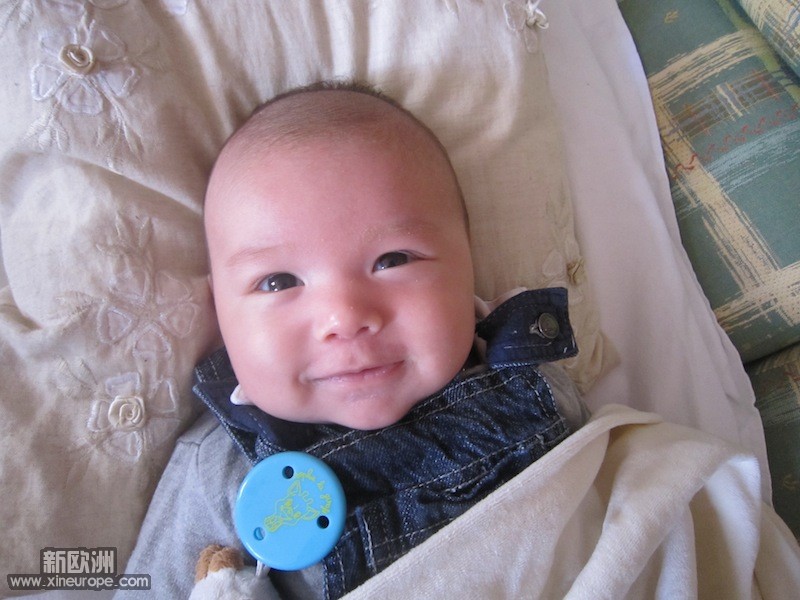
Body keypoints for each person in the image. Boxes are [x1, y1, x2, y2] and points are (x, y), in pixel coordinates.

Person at [118, 81, 589, 600]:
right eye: (278, 282)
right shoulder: (219, 468)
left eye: (393, 260)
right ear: (220, 312)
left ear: (467, 258)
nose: (344, 318)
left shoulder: (530, 382)